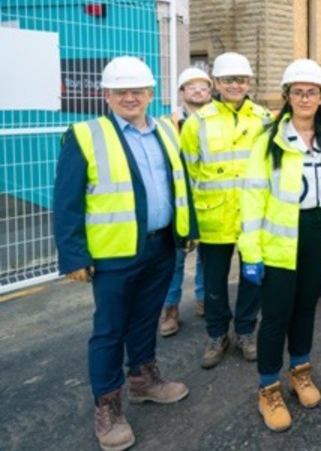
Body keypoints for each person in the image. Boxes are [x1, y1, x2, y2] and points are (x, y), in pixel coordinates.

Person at [53, 56, 198, 451]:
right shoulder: (85, 135)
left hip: (160, 245)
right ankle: (107, 406)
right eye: (121, 91)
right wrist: (73, 255)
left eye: (137, 90)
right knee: (109, 331)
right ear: (107, 95)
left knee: (146, 318)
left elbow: (180, 185)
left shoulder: (167, 132)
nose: (130, 97)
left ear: (151, 93)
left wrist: (187, 230)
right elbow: (66, 202)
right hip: (113, 255)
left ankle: (143, 381)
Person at [237, 59, 321, 432]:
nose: (306, 98)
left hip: (319, 234)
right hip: (280, 238)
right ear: (287, 97)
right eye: (298, 92)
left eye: (313, 92)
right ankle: (268, 389)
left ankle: (300, 373)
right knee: (275, 317)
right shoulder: (268, 141)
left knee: (305, 309)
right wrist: (250, 253)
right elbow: (253, 198)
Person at [181, 51, 272, 369]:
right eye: (229, 79)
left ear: (249, 82)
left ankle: (246, 331)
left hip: (252, 217)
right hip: (214, 217)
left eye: (241, 79)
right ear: (216, 83)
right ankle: (217, 334)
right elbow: (189, 175)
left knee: (253, 278)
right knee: (215, 282)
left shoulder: (263, 119)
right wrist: (189, 223)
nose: (235, 85)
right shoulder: (197, 123)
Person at [160, 67, 212, 337]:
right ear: (182, 92)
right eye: (192, 86)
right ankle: (170, 309)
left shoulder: (214, 121)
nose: (198, 91)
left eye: (203, 86)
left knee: (207, 256)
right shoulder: (166, 125)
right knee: (176, 258)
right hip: (180, 201)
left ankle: (204, 299)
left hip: (209, 199)